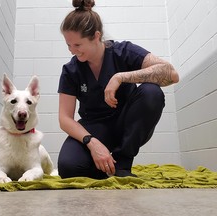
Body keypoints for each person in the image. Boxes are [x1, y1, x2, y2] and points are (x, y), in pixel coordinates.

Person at [57, 0, 179, 179]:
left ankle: (123, 164)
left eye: (77, 45)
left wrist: (121, 77)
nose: (72, 51)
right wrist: (91, 142)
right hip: (94, 127)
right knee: (68, 168)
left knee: (151, 92)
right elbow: (64, 119)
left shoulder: (123, 51)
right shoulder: (71, 70)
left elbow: (172, 74)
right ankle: (107, 168)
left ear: (96, 36)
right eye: (68, 45)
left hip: (127, 124)